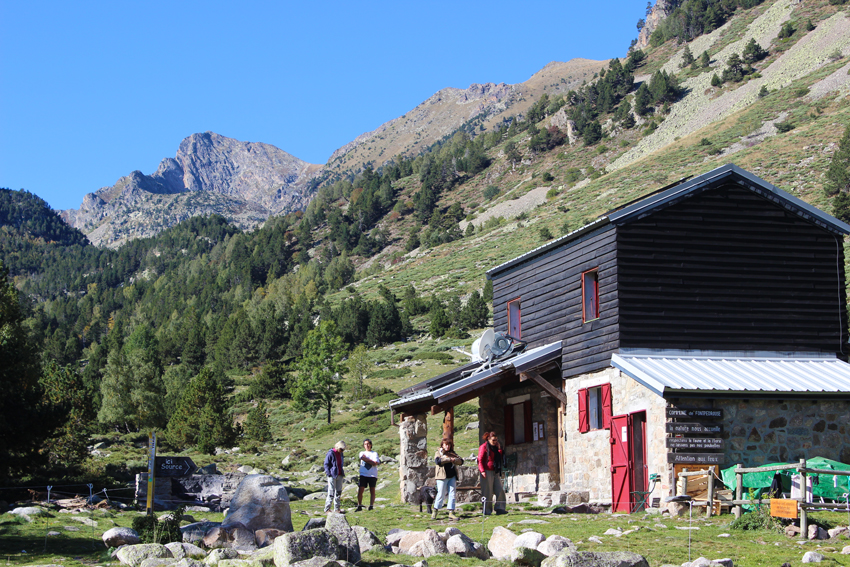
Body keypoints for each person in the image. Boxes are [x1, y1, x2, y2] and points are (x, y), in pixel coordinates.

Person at [433, 437, 463, 520]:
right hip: (442, 476)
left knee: (452, 493)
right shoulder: (438, 453)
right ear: (442, 445)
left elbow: (460, 461)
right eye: (446, 445)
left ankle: (451, 512)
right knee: (440, 494)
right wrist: (449, 459)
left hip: (452, 476)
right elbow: (438, 461)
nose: (447, 447)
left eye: (449, 445)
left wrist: (454, 459)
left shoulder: (452, 453)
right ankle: (435, 510)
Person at [478, 431, 507, 515]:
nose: (495, 442)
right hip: (487, 471)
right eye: (493, 440)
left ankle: (500, 508)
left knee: (500, 489)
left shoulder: (496, 448)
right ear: (489, 439)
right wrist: (482, 471)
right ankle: (487, 511)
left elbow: (499, 457)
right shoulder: (483, 447)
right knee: (488, 491)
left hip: (495, 470)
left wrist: (499, 450)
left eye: (496, 440)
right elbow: (480, 460)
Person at [355, 439, 381, 511]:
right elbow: (362, 458)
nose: (367, 445)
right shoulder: (361, 453)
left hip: (372, 474)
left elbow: (375, 463)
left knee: (372, 490)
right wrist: (371, 461)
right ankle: (359, 505)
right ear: (363, 445)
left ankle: (371, 506)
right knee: (360, 490)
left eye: (368, 444)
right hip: (363, 474)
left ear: (371, 445)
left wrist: (367, 460)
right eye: (365, 444)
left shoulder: (374, 453)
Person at [323, 441, 346, 513]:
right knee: (331, 492)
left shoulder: (341, 454)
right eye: (341, 449)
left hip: (339, 474)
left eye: (343, 450)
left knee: (338, 492)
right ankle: (327, 508)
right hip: (332, 475)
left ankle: (337, 508)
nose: (342, 451)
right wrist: (328, 473)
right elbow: (326, 464)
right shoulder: (331, 453)